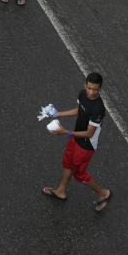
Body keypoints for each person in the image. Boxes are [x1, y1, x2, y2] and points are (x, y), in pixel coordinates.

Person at [41, 72, 112, 212]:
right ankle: (61, 191)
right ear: (85, 85)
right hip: (75, 138)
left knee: (79, 174)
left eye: (95, 89)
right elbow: (80, 110)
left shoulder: (98, 109)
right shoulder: (82, 94)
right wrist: (58, 114)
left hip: (86, 145)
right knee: (68, 163)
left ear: (100, 89)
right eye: (89, 88)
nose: (91, 92)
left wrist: (66, 132)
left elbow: (89, 133)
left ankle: (103, 193)